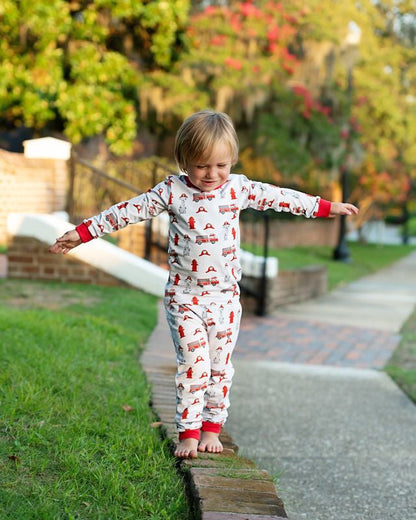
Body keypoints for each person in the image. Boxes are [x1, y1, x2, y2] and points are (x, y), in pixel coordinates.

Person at [50, 109, 359, 459]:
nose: (212, 175)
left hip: (225, 300)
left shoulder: (238, 189)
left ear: (232, 162)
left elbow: (281, 197)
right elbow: (126, 211)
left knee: (219, 367)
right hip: (185, 300)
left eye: (220, 166)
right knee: (194, 366)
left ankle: (212, 426)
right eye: (201, 166)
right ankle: (188, 432)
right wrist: (82, 233)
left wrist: (324, 207)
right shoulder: (173, 191)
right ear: (184, 161)